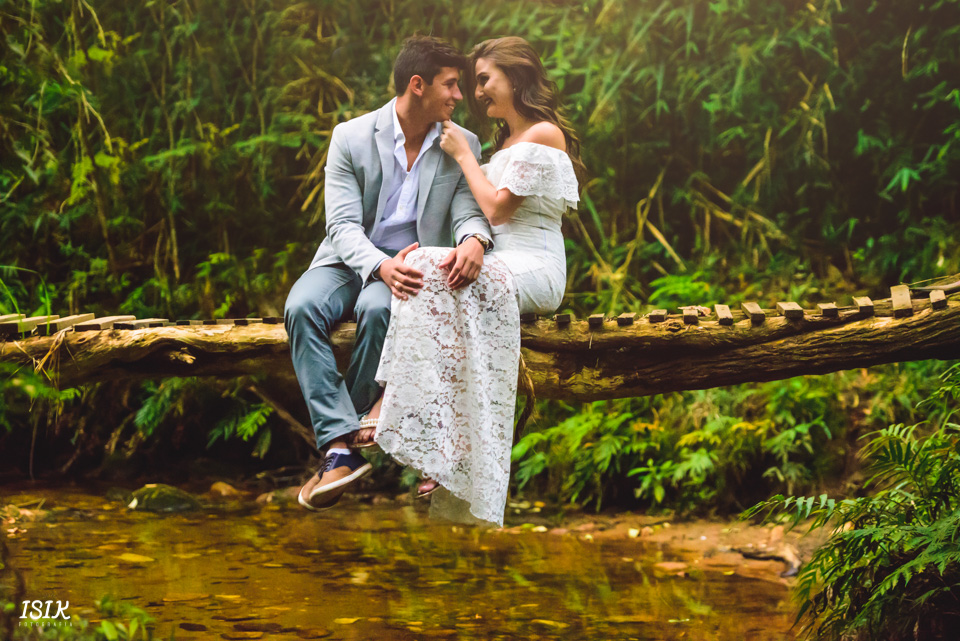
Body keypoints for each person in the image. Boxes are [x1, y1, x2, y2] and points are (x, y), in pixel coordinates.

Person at [366, 36, 583, 526]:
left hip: (536, 266)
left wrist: (464, 155)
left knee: (429, 267)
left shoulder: (543, 134)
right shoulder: (507, 142)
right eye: (473, 82)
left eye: (484, 79)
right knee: (425, 264)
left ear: (516, 76)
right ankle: (441, 444)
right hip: (497, 263)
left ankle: (395, 402)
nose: (477, 91)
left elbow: (498, 207)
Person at [285, 36, 494, 511]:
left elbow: (468, 210)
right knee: (300, 306)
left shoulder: (462, 142)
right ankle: (343, 443)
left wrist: (474, 241)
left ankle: (342, 446)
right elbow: (339, 224)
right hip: (348, 259)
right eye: (450, 85)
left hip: (413, 269)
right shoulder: (351, 136)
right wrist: (379, 264)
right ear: (417, 85)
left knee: (378, 309)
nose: (459, 97)